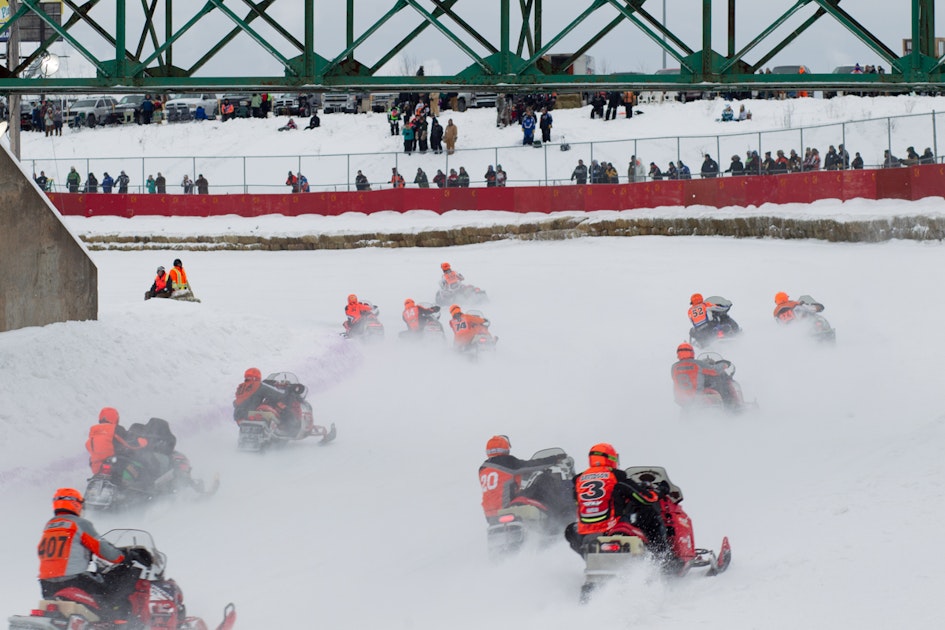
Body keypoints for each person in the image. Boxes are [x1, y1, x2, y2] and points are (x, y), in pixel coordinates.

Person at [564, 443, 666, 556]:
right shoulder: (616, 476)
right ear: (611, 458)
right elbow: (646, 498)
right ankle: (660, 557)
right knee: (650, 515)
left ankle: (589, 556)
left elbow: (577, 503)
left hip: (586, 532)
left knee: (570, 530)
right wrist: (661, 491)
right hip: (612, 528)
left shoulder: (578, 480)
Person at [37, 487, 130, 603]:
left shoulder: (49, 526)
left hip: (47, 585)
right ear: (76, 504)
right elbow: (103, 549)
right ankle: (117, 618)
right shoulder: (79, 524)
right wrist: (123, 556)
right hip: (74, 581)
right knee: (115, 587)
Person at [478, 435, 574, 524]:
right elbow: (531, 465)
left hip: (490, 516)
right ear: (505, 448)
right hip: (509, 507)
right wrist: (554, 459)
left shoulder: (483, 469)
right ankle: (561, 518)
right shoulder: (505, 462)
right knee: (543, 482)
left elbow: (501, 486)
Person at [670, 343, 742, 410]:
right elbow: (714, 371)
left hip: (681, 399)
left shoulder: (674, 367)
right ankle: (727, 411)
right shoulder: (697, 364)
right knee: (715, 394)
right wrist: (724, 364)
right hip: (698, 396)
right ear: (692, 352)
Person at [85, 407, 146, 474]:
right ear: (115, 417)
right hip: (115, 465)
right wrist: (142, 442)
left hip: (96, 467)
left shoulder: (94, 432)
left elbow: (88, 446)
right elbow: (128, 441)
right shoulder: (116, 429)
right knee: (139, 469)